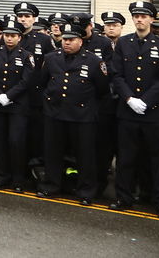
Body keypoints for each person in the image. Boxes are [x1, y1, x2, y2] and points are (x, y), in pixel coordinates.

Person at [109, 0, 159, 218]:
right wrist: (129, 98)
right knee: (126, 158)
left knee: (157, 159)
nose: (139, 19)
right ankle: (124, 197)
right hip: (128, 111)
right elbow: (116, 74)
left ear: (151, 19)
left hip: (155, 112)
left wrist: (146, 101)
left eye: (144, 16)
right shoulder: (123, 43)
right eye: (136, 16)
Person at [39, 22, 110, 205]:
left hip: (82, 115)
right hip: (55, 113)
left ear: (80, 41)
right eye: (65, 39)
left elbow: (102, 89)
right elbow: (42, 82)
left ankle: (86, 191)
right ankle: (51, 185)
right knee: (53, 153)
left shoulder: (94, 61)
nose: (67, 43)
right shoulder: (51, 58)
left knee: (85, 155)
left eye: (71, 40)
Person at [0, 21, 35, 191]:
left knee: (16, 141)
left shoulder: (26, 56)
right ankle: (2, 175)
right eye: (6, 35)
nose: (9, 39)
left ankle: (18, 179)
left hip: (17, 105)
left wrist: (9, 95)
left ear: (19, 37)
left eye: (13, 36)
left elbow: (26, 80)